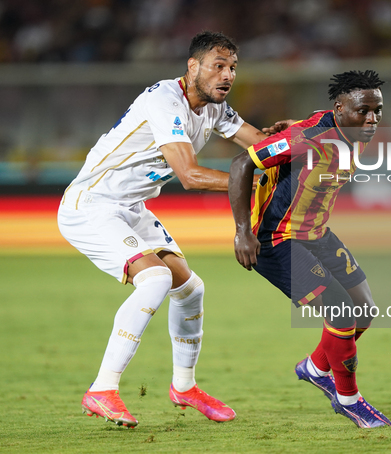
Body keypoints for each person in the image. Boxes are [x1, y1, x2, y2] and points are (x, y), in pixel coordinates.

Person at [58, 31, 271, 428]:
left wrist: (302, 138)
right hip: (91, 205)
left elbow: (260, 143)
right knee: (155, 278)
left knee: (190, 290)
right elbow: (189, 175)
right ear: (193, 67)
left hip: (130, 208)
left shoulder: (214, 108)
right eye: (218, 66)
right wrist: (251, 183)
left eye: (233, 68)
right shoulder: (164, 100)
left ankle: (184, 387)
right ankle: (102, 389)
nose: (227, 76)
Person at [228, 70, 391, 428]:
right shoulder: (309, 137)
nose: (372, 119)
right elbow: (241, 164)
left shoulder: (353, 130)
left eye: (377, 111)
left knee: (364, 310)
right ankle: (349, 399)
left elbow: (320, 122)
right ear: (340, 107)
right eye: (364, 110)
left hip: (316, 233)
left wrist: (297, 125)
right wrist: (243, 232)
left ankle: (317, 368)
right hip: (276, 240)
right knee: (342, 313)